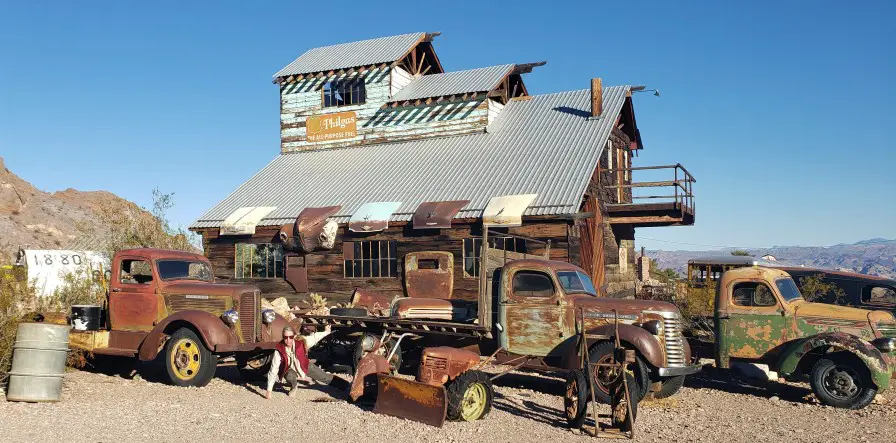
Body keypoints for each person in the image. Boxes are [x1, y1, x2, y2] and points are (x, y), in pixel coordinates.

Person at [265, 324, 347, 399]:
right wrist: (269, 391)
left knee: (324, 377)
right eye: (286, 337)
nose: (288, 340)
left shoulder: (301, 343)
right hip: (289, 369)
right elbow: (273, 369)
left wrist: (326, 332)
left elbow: (314, 338)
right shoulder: (279, 350)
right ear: (283, 337)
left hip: (304, 365)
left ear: (294, 336)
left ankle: (346, 386)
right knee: (289, 376)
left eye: (290, 337)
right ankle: (294, 387)